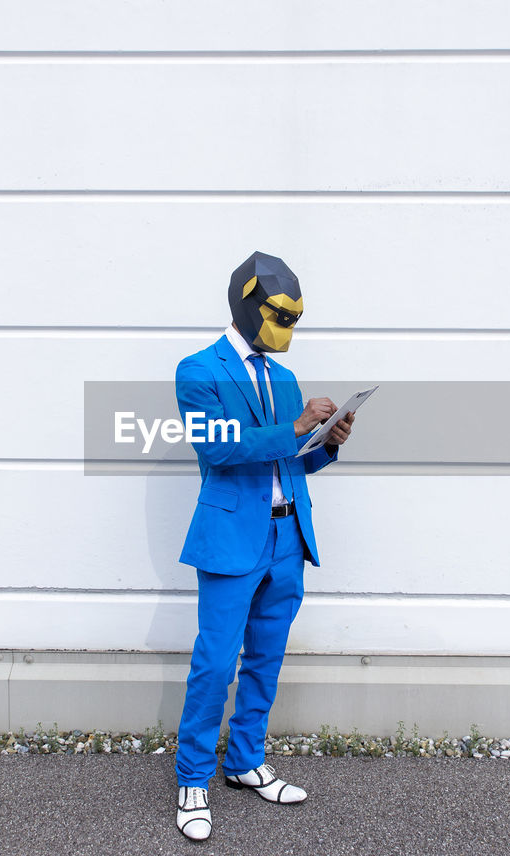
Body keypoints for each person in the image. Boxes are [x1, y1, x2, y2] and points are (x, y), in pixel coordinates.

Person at [171, 251, 356, 841]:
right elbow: (218, 448)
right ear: (250, 304)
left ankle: (245, 761)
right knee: (216, 663)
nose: (288, 328)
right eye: (281, 314)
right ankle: (192, 778)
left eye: (296, 317)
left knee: (266, 661)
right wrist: (296, 427)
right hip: (230, 539)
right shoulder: (197, 369)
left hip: (285, 534)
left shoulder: (283, 377)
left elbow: (289, 459)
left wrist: (327, 443)